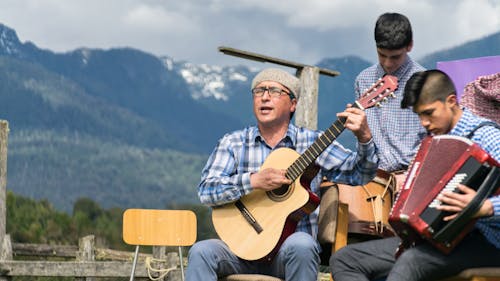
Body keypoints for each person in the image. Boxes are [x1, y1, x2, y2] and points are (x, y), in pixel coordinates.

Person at [186, 68, 379, 281]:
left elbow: (360, 175)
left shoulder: (314, 142)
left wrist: (364, 137)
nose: (265, 96)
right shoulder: (233, 142)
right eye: (259, 90)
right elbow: (206, 191)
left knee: (303, 244)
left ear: (293, 104)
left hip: (287, 256)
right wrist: (254, 181)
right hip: (237, 252)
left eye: (275, 91)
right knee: (201, 251)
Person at [330, 69, 500, 281]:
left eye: (429, 113)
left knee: (411, 261)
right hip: (433, 240)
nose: (424, 123)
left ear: (452, 101)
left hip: (487, 242)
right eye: (419, 115)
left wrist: (484, 207)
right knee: (345, 259)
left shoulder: (489, 137)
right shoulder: (433, 144)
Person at [355, 12, 427, 188]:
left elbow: (433, 141)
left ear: (409, 46)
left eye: (395, 57)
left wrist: (412, 175)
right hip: (373, 178)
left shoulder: (425, 82)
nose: (387, 63)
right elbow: (364, 142)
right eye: (381, 55)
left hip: (412, 179)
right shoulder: (363, 80)